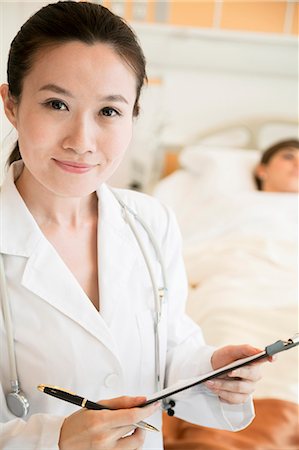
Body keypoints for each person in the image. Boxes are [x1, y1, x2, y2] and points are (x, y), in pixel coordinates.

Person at [0, 2, 270, 449]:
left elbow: (171, 351)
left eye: (108, 112)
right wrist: (54, 439)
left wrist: (211, 370)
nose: (81, 142)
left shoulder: (151, 221)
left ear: (133, 115)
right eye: (56, 104)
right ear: (11, 104)